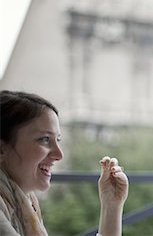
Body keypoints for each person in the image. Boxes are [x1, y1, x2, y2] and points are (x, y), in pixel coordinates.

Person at [0, 90, 129, 236]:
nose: (59, 155)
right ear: (1, 149)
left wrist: (111, 207)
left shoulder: (25, 204)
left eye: (58, 140)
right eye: (45, 139)